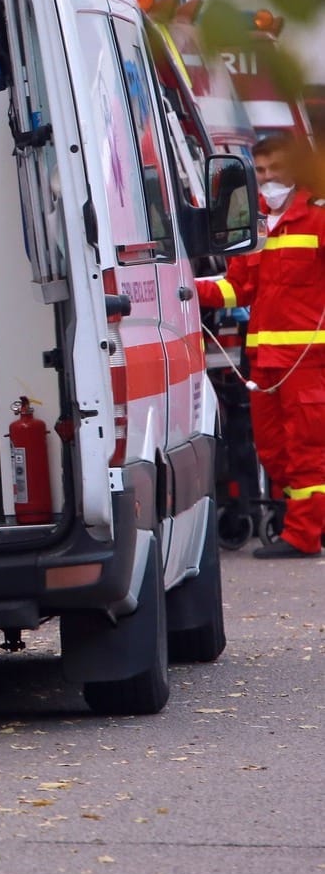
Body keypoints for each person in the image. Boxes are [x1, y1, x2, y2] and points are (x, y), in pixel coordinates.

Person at [196, 132, 325, 558]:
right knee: (272, 451)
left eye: (277, 168)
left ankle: (303, 536)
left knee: (307, 452)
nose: (268, 177)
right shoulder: (256, 224)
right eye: (262, 170)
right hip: (265, 361)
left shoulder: (318, 217)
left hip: (308, 361)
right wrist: (189, 291)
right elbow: (238, 288)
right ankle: (309, 520)